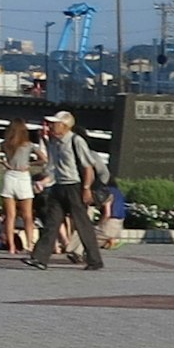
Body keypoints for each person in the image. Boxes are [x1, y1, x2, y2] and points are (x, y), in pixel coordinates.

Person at [32, 109, 108, 270]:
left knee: (82, 224)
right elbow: (52, 167)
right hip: (58, 186)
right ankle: (39, 258)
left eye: (55, 123)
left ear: (65, 125)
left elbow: (88, 167)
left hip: (74, 186)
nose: (51, 126)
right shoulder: (53, 142)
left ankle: (95, 260)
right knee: (52, 222)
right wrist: (45, 183)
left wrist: (86, 188)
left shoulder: (76, 140)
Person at [0, 118, 38, 254]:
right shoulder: (28, 145)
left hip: (9, 176)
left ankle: (11, 246)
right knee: (27, 215)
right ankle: (30, 244)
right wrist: (30, 165)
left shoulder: (6, 144)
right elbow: (44, 159)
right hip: (23, 177)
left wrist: (3, 162)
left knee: (10, 216)